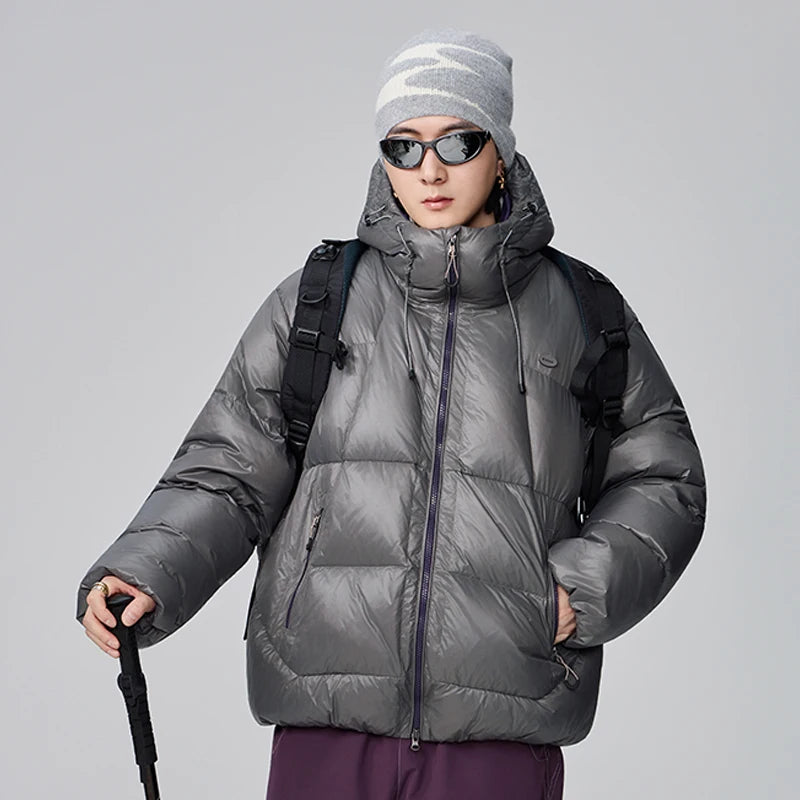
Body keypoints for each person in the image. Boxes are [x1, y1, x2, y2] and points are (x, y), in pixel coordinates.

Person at [77, 29, 706, 800]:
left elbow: (664, 475)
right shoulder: (319, 299)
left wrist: (579, 591)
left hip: (501, 716)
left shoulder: (580, 310)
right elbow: (232, 466)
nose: (429, 170)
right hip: (326, 706)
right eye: (402, 147)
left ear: (500, 151)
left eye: (457, 142)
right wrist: (147, 567)